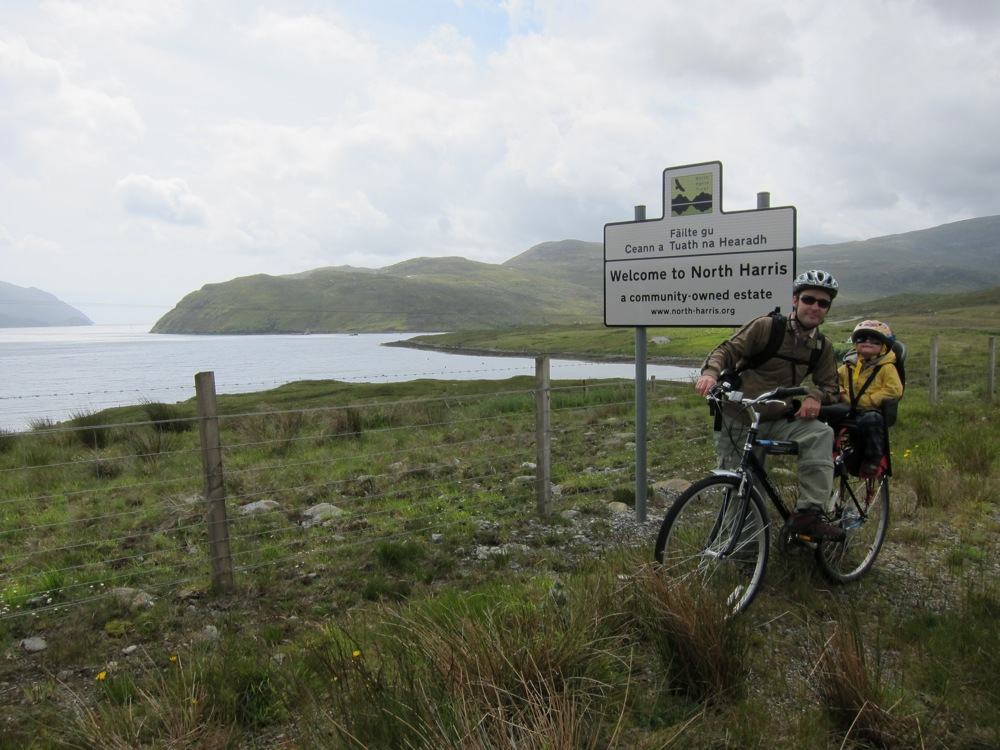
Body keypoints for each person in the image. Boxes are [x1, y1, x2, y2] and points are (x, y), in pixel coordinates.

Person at [694, 269, 844, 540]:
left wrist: (815, 396)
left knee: (821, 433)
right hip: (740, 417)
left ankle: (809, 515)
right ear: (795, 301)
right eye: (809, 299)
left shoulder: (821, 346)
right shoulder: (766, 327)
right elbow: (727, 350)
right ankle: (745, 558)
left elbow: (831, 387)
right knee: (744, 490)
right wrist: (710, 373)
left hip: (777, 420)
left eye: (823, 303)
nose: (815, 307)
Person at [838, 320, 904, 477]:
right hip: (847, 408)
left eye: (875, 340)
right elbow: (834, 381)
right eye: (862, 339)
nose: (868, 342)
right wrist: (840, 393)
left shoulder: (887, 368)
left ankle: (873, 459)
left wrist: (870, 400)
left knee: (871, 419)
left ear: (884, 346)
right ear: (855, 343)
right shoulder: (847, 366)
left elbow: (894, 390)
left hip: (873, 410)